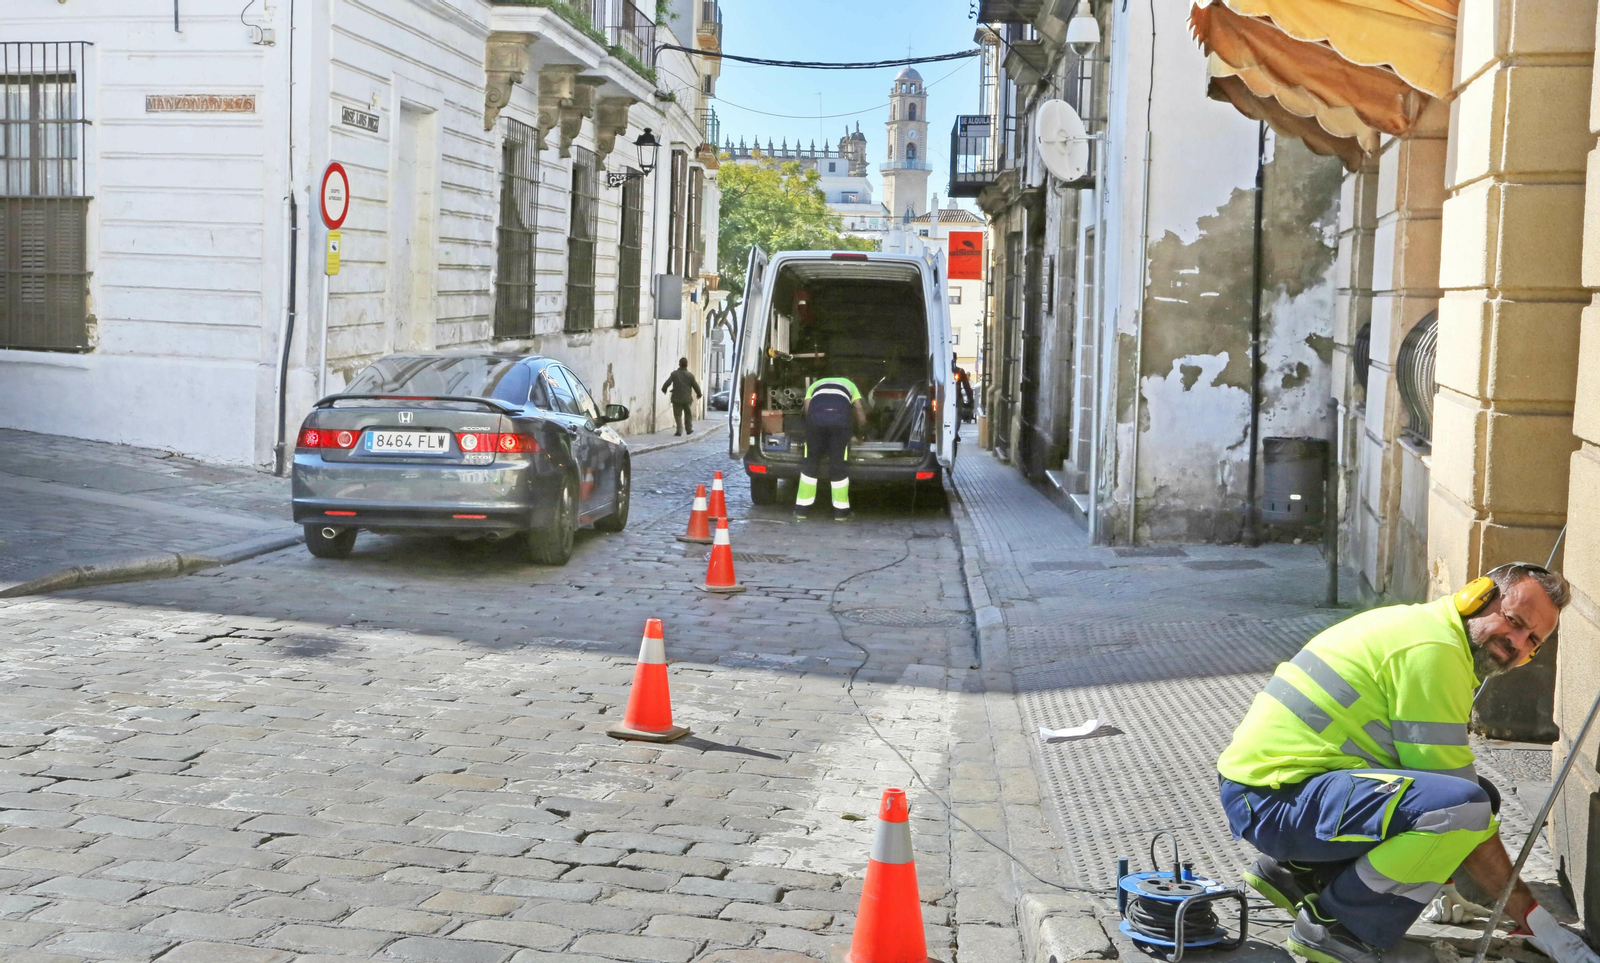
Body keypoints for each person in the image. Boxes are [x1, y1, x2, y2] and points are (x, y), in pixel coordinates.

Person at [1217, 563, 1597, 963]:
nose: (1516, 642)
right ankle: (1339, 927)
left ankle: (1299, 873)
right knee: (1466, 807)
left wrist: (1446, 884)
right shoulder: (1433, 653)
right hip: (1273, 802)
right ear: (1478, 596)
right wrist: (1533, 918)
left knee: (1476, 795)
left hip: (1276, 791)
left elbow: (1433, 784)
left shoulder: (1431, 631)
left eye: (1532, 640)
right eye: (1514, 621)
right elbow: (1456, 809)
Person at [794, 374, 868, 522]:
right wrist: (862, 431)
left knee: (810, 463)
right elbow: (859, 409)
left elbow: (807, 409)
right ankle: (841, 513)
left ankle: (801, 511)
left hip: (816, 425)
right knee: (838, 464)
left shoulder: (815, 385)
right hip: (840, 425)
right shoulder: (850, 385)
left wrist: (811, 429)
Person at [660, 358, 702, 436]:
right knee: (688, 414)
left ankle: (679, 430)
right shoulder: (690, 375)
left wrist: (664, 389)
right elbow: (695, 386)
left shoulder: (674, 374)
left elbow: (667, 382)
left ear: (679, 364)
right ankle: (689, 429)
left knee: (677, 415)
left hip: (677, 398)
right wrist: (699, 393)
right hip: (687, 399)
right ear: (687, 365)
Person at [953, 355, 975, 424]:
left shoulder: (959, 371)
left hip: (952, 397)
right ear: (955, 359)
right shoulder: (960, 371)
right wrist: (970, 399)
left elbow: (966, 386)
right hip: (957, 397)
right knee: (957, 416)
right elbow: (966, 386)